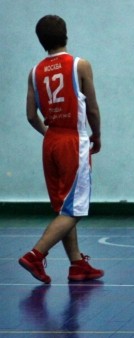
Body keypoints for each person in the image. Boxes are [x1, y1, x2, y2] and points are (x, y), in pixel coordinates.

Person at [19, 15, 104, 284]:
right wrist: (96, 135)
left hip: (51, 141)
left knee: (64, 206)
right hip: (72, 140)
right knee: (74, 209)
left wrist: (49, 134)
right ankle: (36, 254)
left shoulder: (34, 72)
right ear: (65, 34)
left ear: (41, 41)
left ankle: (76, 264)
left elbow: (31, 115)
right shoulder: (80, 65)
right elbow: (92, 108)